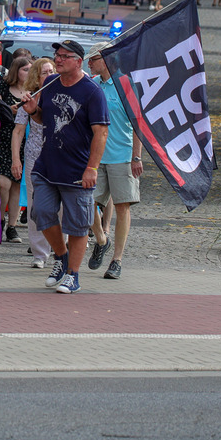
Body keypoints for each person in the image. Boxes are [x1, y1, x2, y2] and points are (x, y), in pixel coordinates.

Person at [21, 40, 109, 295]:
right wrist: (33, 110)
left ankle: (73, 275)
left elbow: (101, 133)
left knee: (78, 224)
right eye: (56, 55)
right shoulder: (49, 84)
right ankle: (61, 257)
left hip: (77, 170)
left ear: (78, 61)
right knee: (41, 213)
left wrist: (92, 168)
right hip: (47, 165)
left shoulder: (92, 91)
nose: (57, 60)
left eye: (64, 56)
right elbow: (43, 117)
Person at [86, 42, 142, 280]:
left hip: (122, 156)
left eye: (94, 59)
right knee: (86, 202)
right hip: (96, 158)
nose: (89, 63)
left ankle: (117, 259)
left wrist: (136, 157)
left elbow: (139, 124)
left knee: (122, 207)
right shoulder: (94, 85)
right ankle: (101, 239)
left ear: (107, 59)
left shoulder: (126, 85)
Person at [11, 57, 55, 268]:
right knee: (35, 206)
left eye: (51, 71)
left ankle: (60, 247)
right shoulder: (28, 98)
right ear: (36, 77)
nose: (49, 75)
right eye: (44, 72)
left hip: (60, 156)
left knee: (61, 206)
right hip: (35, 157)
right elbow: (18, 131)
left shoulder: (61, 95)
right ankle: (39, 253)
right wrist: (15, 159)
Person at [0, 56, 32, 244]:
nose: (27, 73)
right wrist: (11, 109)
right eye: (24, 69)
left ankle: (12, 226)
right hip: (3, 139)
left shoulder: (34, 90)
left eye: (30, 70)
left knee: (17, 184)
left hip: (24, 140)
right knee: (3, 183)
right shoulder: (2, 86)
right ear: (16, 70)